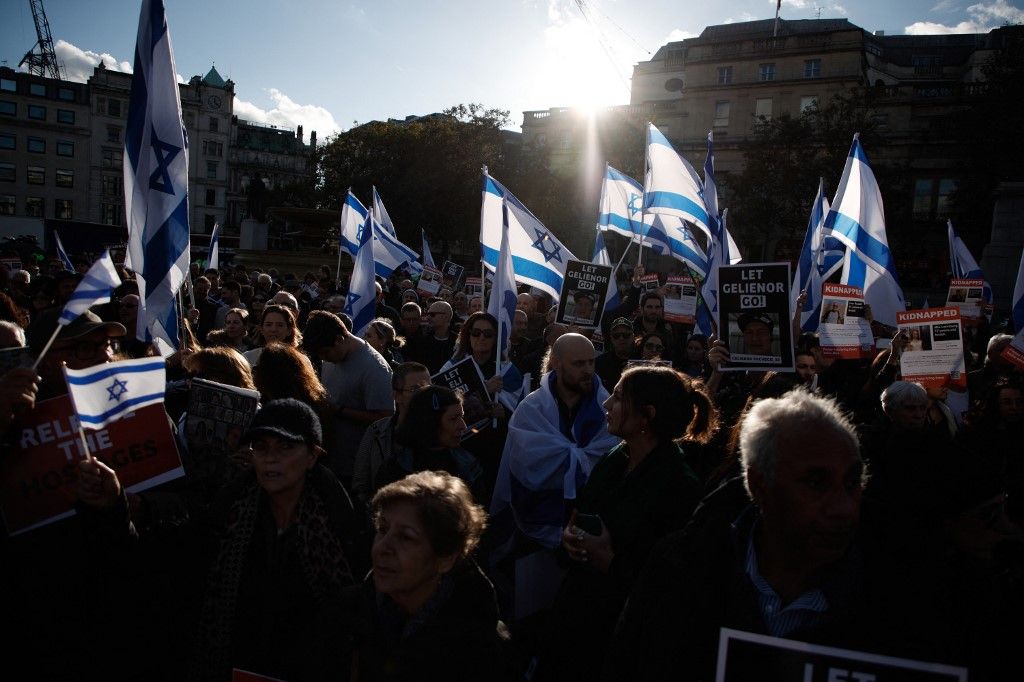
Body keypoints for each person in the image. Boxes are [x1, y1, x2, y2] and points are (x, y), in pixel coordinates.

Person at [613, 390, 952, 680]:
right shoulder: (681, 567)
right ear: (759, 486)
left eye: (852, 483)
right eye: (815, 483)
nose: (843, 508)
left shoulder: (906, 594)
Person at [76, 399, 359, 681]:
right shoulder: (228, 512)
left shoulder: (341, 525)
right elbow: (167, 558)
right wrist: (114, 507)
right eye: (261, 447)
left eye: (286, 447)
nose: (271, 458)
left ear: (312, 455)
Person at [544, 366, 717, 680]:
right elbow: (584, 512)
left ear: (646, 415)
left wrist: (610, 562)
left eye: (619, 397)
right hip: (575, 618)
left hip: (619, 638)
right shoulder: (615, 458)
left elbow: (673, 586)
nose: (606, 404)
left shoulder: (680, 486)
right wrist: (570, 537)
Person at [488, 334, 620, 619]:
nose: (587, 370)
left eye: (591, 363)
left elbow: (613, 459)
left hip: (593, 542)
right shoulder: (531, 411)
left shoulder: (608, 409)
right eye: (578, 363)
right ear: (557, 365)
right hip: (535, 537)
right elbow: (523, 468)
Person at [349, 471, 516, 681]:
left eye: (406, 537)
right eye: (382, 529)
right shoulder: (348, 616)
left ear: (446, 558)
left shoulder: (480, 651)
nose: (382, 547)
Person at [301, 310, 394, 485]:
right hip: (327, 457)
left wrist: (339, 410)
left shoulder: (374, 368)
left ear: (339, 339)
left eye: (326, 353)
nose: (323, 358)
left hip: (352, 468)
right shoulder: (331, 353)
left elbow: (386, 417)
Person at [374, 385, 483, 497]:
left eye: (462, 416)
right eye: (453, 419)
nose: (463, 426)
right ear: (430, 423)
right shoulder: (395, 472)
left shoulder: (468, 462)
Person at [352, 362, 432, 507]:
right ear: (397, 395)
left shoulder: (439, 431)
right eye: (415, 389)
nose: (423, 394)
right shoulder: (376, 431)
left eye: (427, 388)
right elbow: (360, 482)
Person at [404, 301, 456, 374]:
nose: (428, 317)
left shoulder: (459, 342)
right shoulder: (420, 342)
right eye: (428, 314)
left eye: (432, 314)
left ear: (446, 316)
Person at [595, 317, 634, 391]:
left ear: (632, 337)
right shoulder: (600, 363)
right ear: (611, 338)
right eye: (616, 335)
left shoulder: (640, 361)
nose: (621, 338)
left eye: (626, 335)